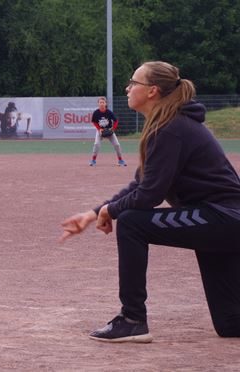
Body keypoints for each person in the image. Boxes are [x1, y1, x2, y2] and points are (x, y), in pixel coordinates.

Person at [60, 61, 240, 343]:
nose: (128, 88)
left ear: (152, 91)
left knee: (132, 223)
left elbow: (148, 197)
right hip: (219, 221)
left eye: (134, 83)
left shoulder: (170, 129)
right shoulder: (167, 125)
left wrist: (111, 211)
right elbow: (141, 184)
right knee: (230, 323)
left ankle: (132, 319)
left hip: (221, 218)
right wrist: (94, 213)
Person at [89, 96, 126, 166]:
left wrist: (113, 129)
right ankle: (93, 160)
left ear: (105, 103)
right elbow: (94, 122)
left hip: (109, 131)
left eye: (103, 102)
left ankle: (120, 160)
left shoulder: (109, 112)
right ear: (98, 104)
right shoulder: (96, 113)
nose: (102, 104)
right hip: (100, 131)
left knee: (117, 145)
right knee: (96, 144)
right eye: (100, 102)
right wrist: (99, 129)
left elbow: (116, 121)